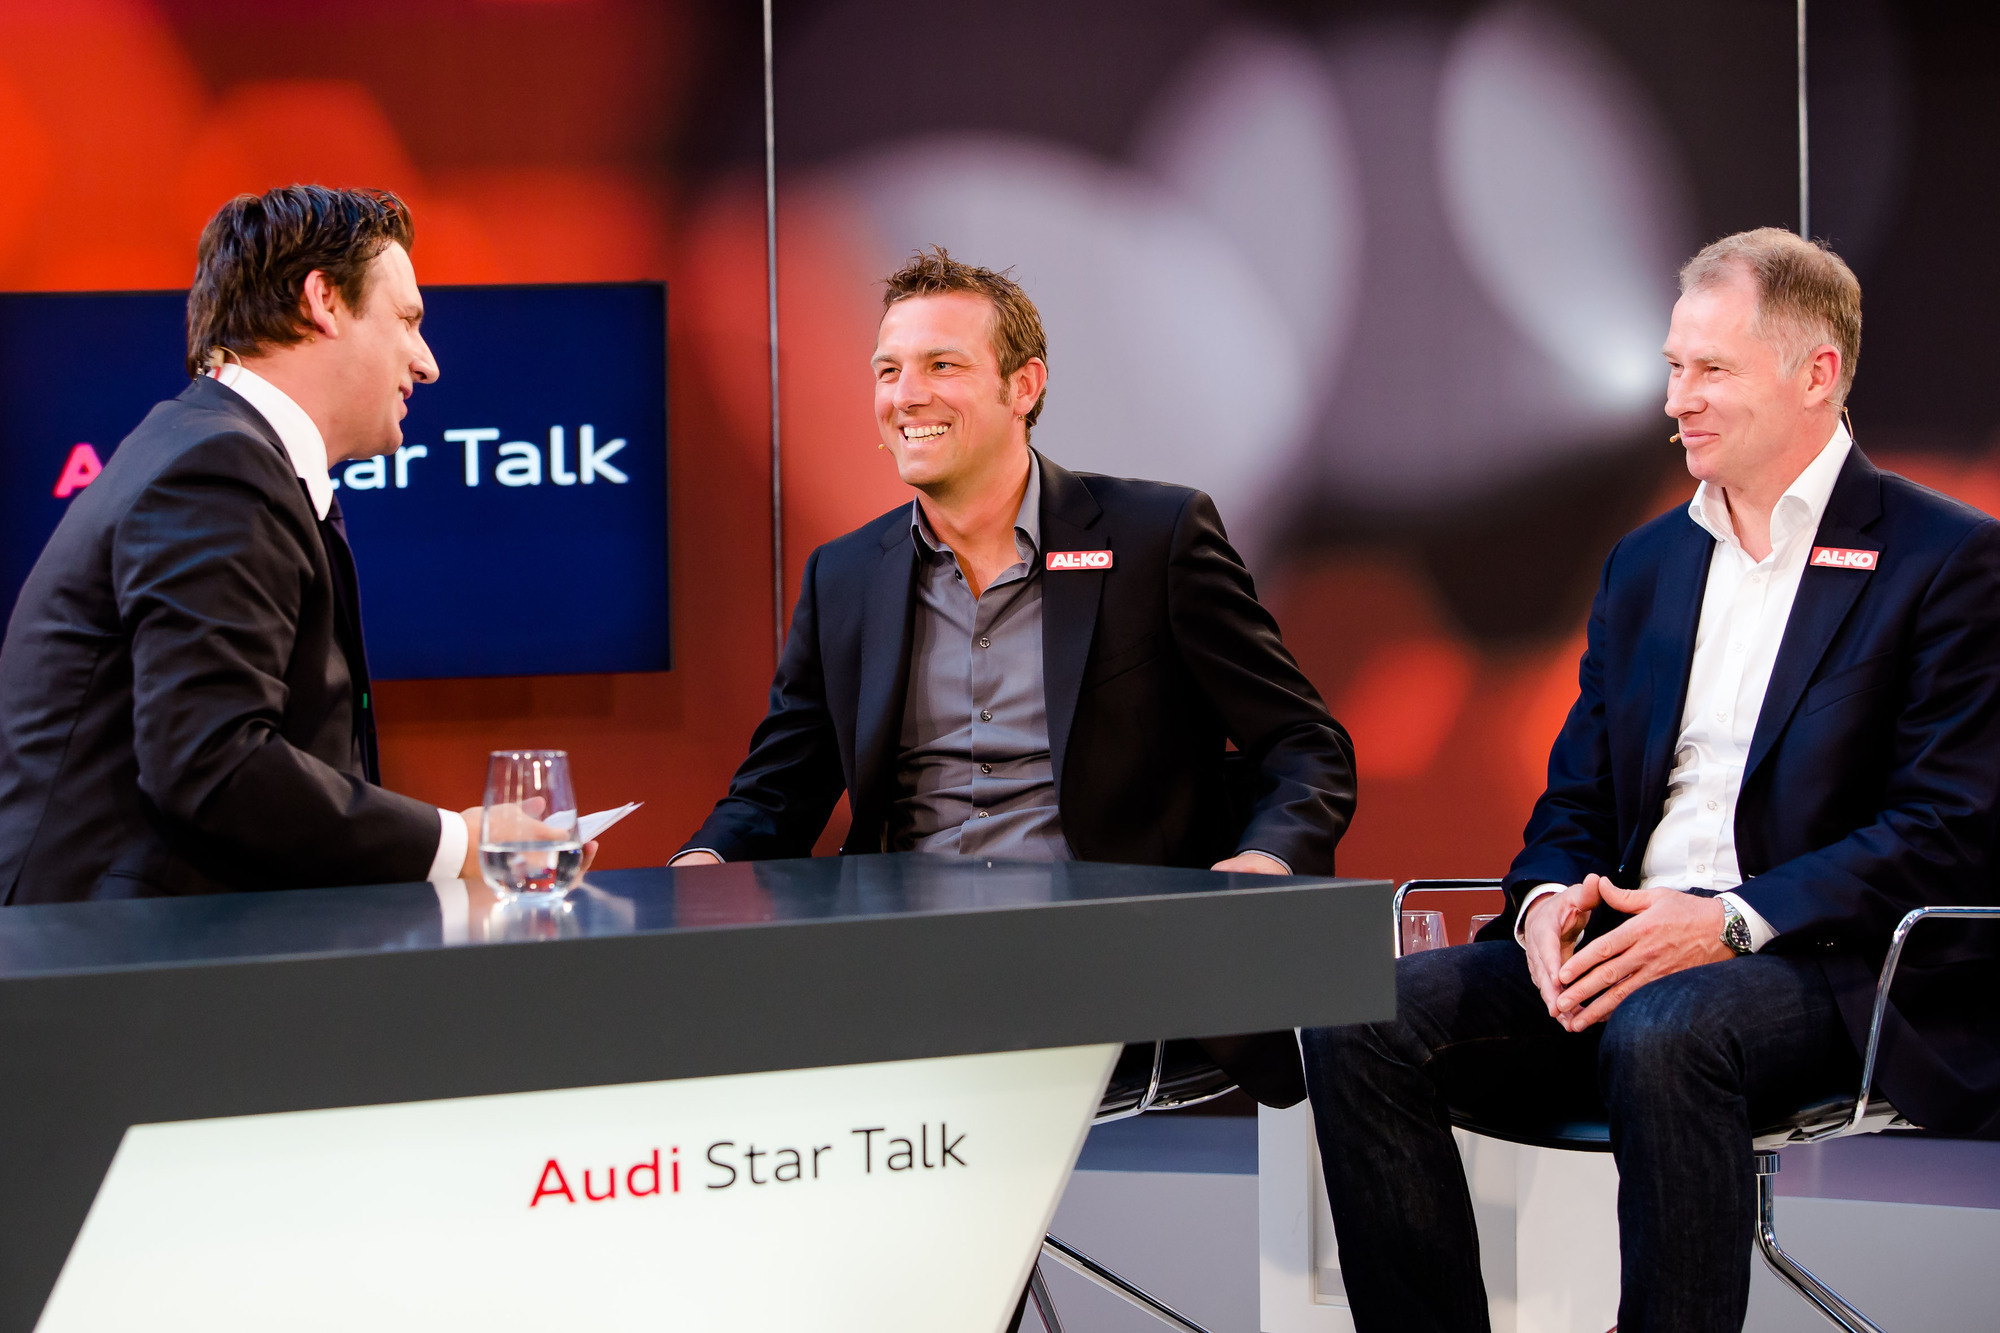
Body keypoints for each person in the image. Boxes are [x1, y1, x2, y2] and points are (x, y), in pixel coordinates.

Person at [1301, 228, 2000, 1332]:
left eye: (1710, 369)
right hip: (1626, 943)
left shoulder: (1943, 559)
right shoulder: (1644, 564)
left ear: (1814, 373)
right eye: (1673, 367)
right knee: (1353, 1016)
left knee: (1664, 1026)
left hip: (1824, 967)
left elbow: (1944, 829)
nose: (1676, 400)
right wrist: (1541, 905)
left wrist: (1724, 922)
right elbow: (1573, 798)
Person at [675, 246, 1356, 1097]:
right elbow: (776, 794)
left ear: (1023, 386)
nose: (904, 395)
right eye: (887, 370)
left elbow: (1304, 744)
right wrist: (700, 865)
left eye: (940, 366)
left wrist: (1264, 866)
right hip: (900, 968)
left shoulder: (1158, 537)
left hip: (1109, 967)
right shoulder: (843, 576)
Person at [0, 185, 582, 903]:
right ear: (323, 300)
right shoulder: (215, 466)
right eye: (406, 320)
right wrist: (462, 842)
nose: (427, 362)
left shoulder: (214, 446)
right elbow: (212, 765)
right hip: (118, 977)